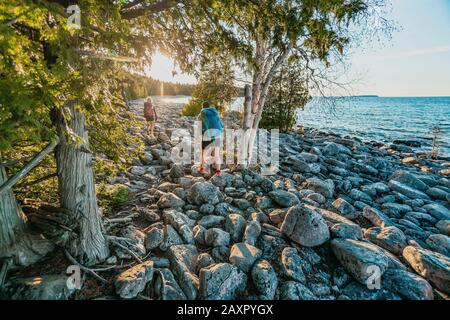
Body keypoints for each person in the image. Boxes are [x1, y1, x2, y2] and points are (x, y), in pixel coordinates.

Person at [198, 101, 223, 176]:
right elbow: (221, 125)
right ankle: (218, 171)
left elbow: (199, 125)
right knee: (217, 154)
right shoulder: (215, 113)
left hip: (207, 134)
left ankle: (202, 169)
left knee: (203, 153)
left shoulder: (202, 113)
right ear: (209, 106)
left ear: (203, 107)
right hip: (217, 134)